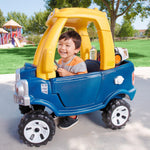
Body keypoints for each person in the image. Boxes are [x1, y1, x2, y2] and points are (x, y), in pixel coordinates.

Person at [57, 30, 87, 129]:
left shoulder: (78, 62)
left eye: (67, 45)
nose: (62, 48)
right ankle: (60, 110)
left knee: (71, 96)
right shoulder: (60, 61)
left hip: (77, 89)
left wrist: (67, 74)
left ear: (77, 49)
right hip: (64, 87)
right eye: (60, 44)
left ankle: (72, 117)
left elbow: (83, 80)